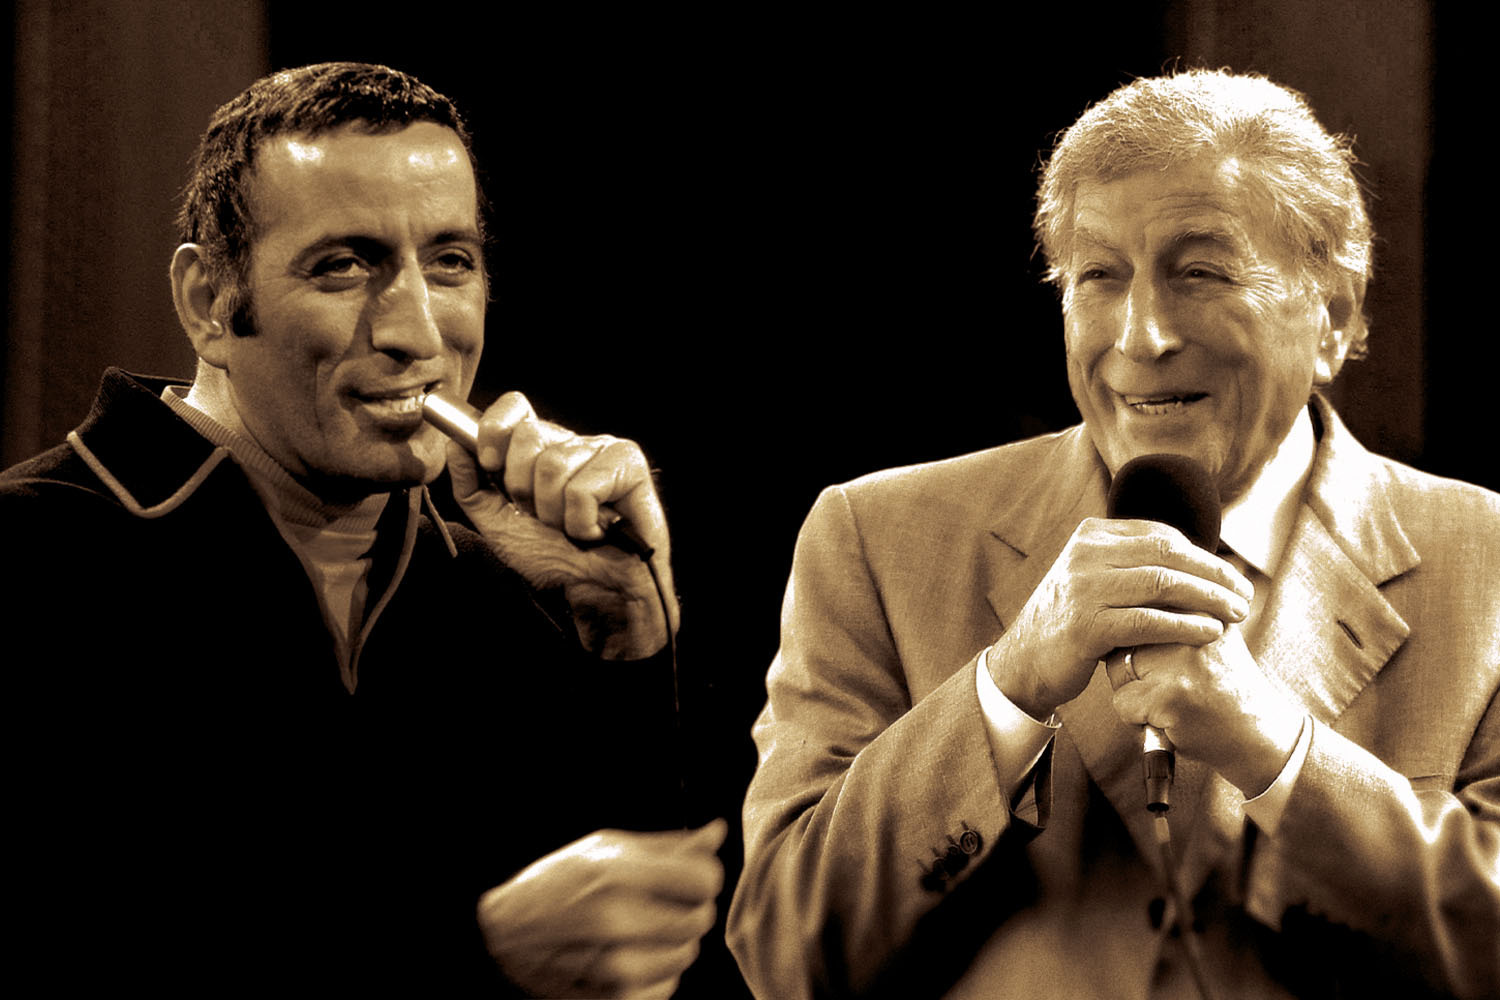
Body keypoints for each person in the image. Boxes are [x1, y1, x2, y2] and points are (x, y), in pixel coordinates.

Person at [727, 69, 1499, 999]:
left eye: (1199, 272)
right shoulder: (873, 537)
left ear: (1332, 316)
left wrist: (1277, 752)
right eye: (1099, 276)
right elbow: (784, 953)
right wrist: (1005, 690)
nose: (1142, 336)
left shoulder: (1488, 559)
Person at [2, 62, 724, 998]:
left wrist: (629, 637)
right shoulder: (34, 554)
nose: (416, 332)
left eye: (450, 262)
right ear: (208, 302)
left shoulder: (501, 599)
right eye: (344, 265)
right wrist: (477, 955)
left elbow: (658, 958)